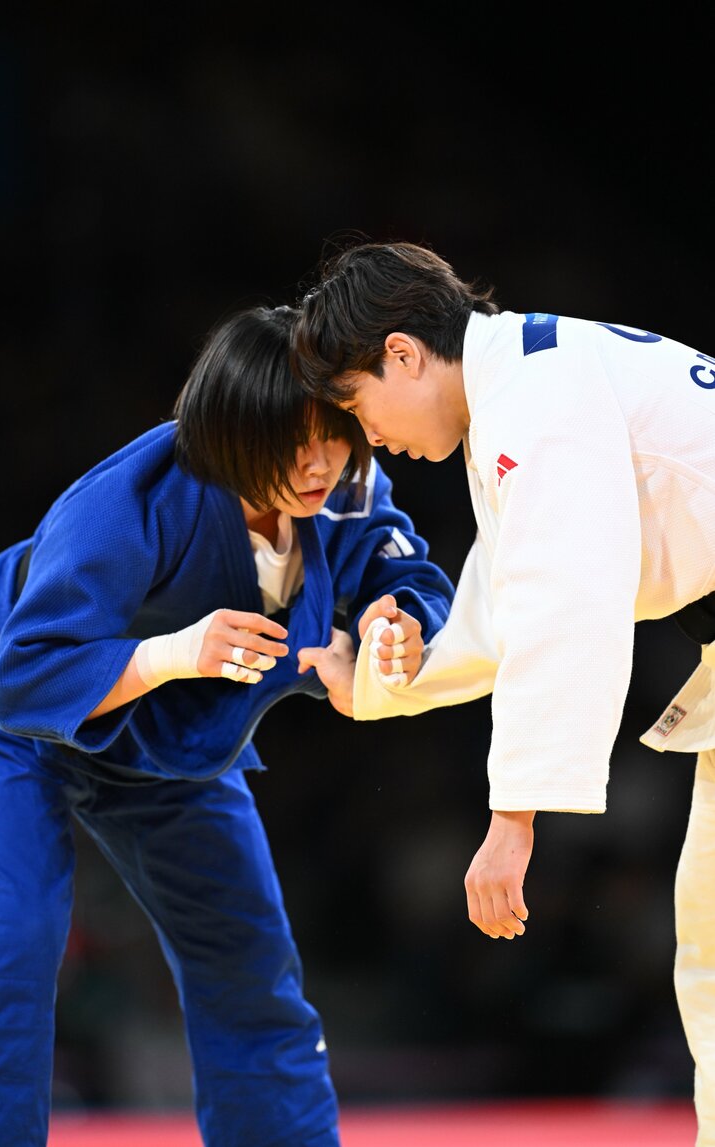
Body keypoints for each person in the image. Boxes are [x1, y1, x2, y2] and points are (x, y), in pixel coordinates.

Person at [0, 301, 456, 1147]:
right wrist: (170, 654)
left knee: (248, 965)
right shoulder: (126, 501)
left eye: (333, 434)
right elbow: (26, 674)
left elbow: (399, 569)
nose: (316, 463)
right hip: (4, 706)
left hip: (167, 736)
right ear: (225, 435)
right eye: (289, 443)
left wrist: (392, 619)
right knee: (15, 938)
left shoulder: (346, 481)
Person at [289, 240, 715, 1144]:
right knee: (710, 954)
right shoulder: (520, 380)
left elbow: (567, 606)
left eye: (358, 408)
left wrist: (512, 818)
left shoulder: (536, 394)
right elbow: (504, 606)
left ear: (401, 354)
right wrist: (371, 681)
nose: (369, 439)